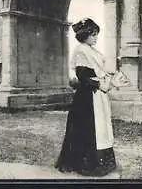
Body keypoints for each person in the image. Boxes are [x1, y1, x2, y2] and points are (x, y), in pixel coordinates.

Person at [54, 18, 118, 177]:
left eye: (97, 34)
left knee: (100, 127)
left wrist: (110, 80)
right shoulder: (81, 50)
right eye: (93, 34)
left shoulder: (93, 50)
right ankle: (85, 165)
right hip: (87, 97)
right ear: (84, 35)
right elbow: (83, 76)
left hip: (97, 95)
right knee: (89, 128)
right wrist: (100, 85)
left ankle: (101, 163)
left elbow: (99, 72)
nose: (96, 37)